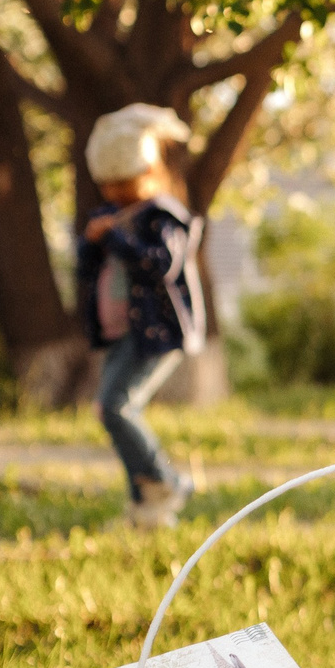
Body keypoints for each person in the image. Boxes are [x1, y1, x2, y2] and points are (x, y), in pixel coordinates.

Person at [73, 104, 207, 530]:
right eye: (106, 186)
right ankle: (146, 510)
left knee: (117, 407)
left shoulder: (162, 216)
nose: (113, 194)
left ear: (146, 173)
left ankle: (167, 482)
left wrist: (113, 238)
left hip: (156, 332)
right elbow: (84, 270)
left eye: (122, 184)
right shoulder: (106, 217)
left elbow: (160, 266)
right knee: (109, 410)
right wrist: (93, 243)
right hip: (120, 332)